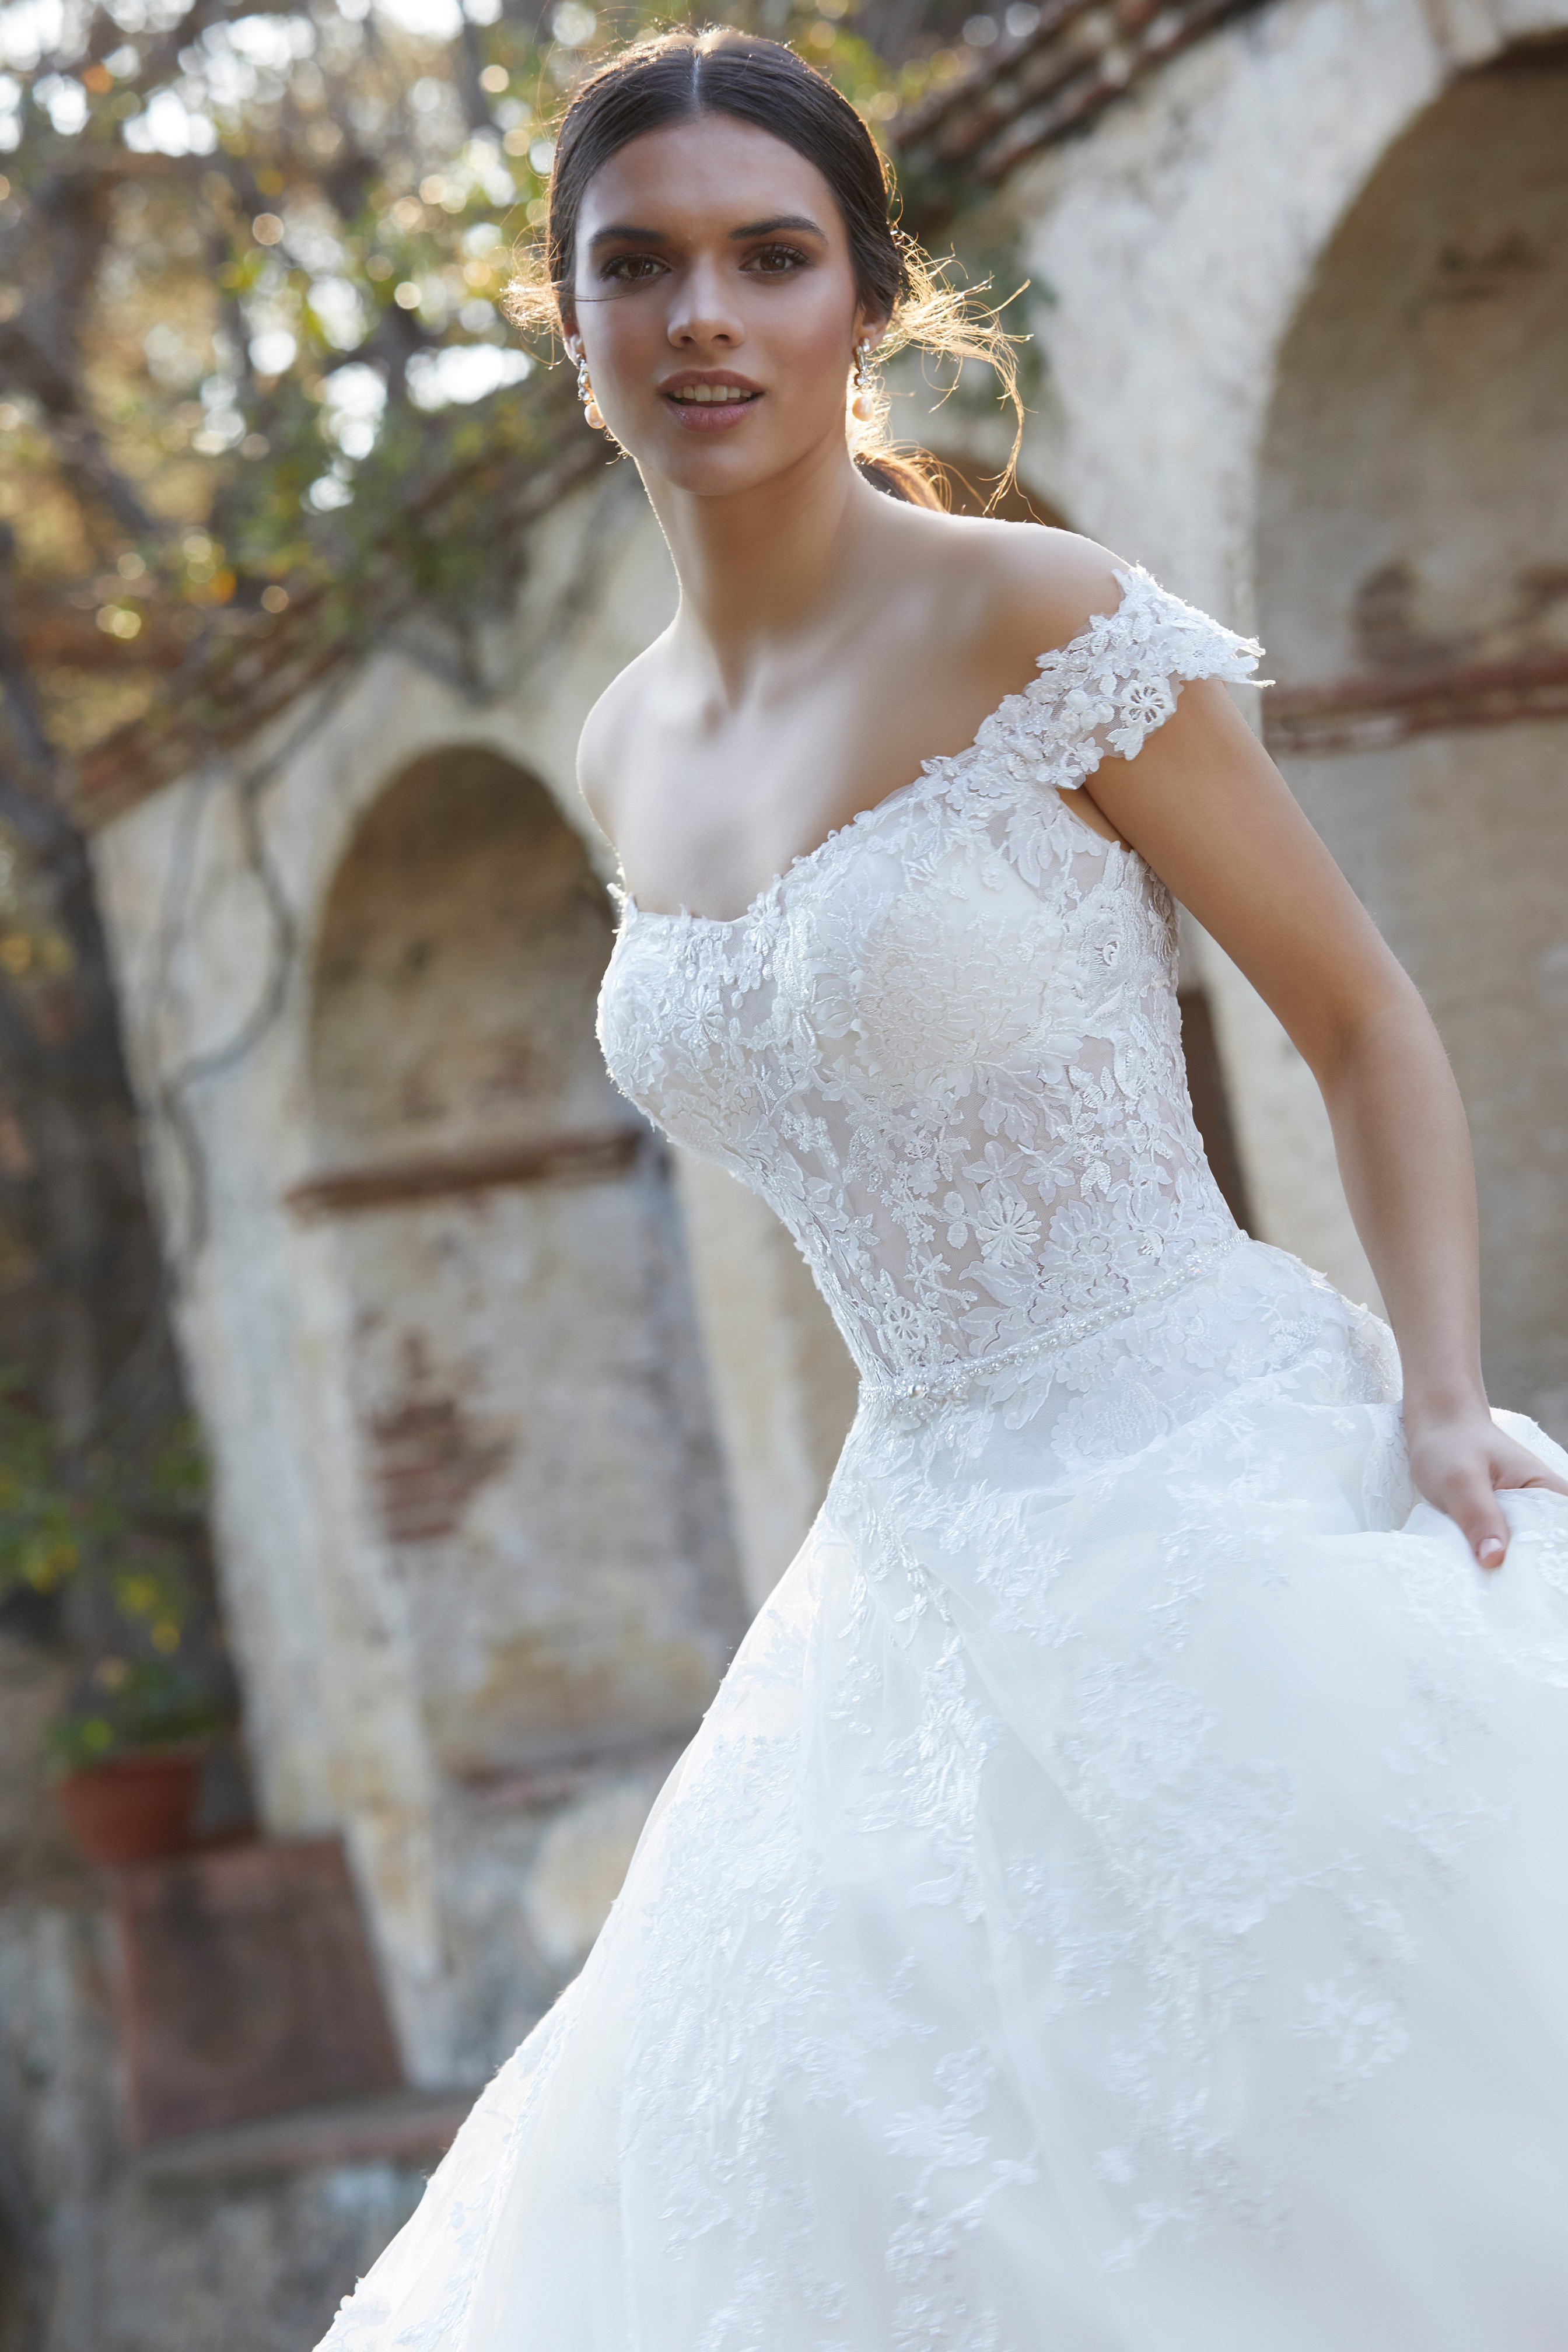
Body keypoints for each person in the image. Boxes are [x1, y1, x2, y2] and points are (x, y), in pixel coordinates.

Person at [318, 28, 1568, 2350]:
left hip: (1212, 1468)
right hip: (905, 1567)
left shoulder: (1043, 625)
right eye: (643, 264)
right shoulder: (614, 742)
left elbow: (1365, 1016)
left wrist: (1435, 1391)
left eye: (771, 258)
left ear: (868, 298)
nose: (706, 316)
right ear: (568, 320)